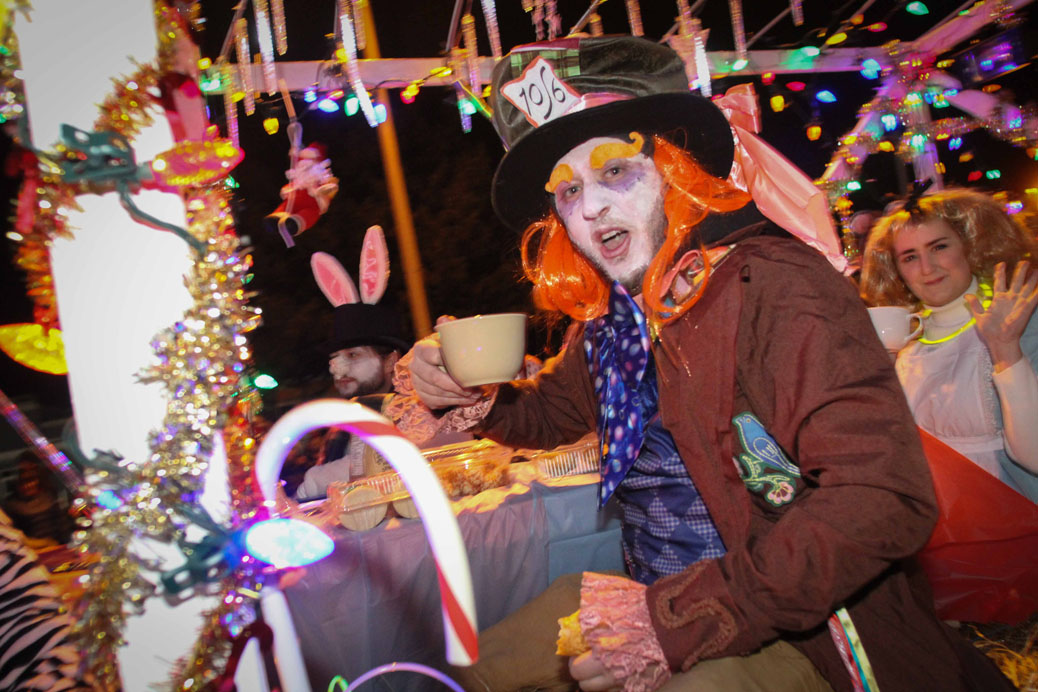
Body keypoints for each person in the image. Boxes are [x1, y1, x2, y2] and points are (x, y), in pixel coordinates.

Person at [404, 36, 1012, 691]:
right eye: (567, 189)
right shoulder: (612, 319)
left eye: (614, 170)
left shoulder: (773, 286)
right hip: (657, 593)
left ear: (678, 169)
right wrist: (470, 392)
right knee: (468, 670)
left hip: (797, 632)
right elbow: (553, 414)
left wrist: (678, 623)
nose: (588, 208)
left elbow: (881, 498)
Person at [860, 188, 1038, 502]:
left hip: (1016, 527)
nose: (927, 268)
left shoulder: (1019, 319)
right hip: (940, 534)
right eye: (910, 257)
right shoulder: (903, 342)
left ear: (970, 246)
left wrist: (1006, 350)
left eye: (939, 247)